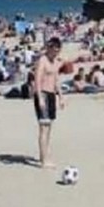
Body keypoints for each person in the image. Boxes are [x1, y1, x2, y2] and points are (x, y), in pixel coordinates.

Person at [33, 37, 64, 169]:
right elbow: (37, 80)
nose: (56, 53)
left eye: (58, 51)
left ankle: (44, 155)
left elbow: (56, 80)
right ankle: (44, 160)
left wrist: (61, 96)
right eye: (54, 50)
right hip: (43, 94)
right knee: (43, 128)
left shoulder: (55, 62)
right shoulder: (42, 61)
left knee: (49, 127)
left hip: (51, 95)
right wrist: (39, 97)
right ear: (49, 48)